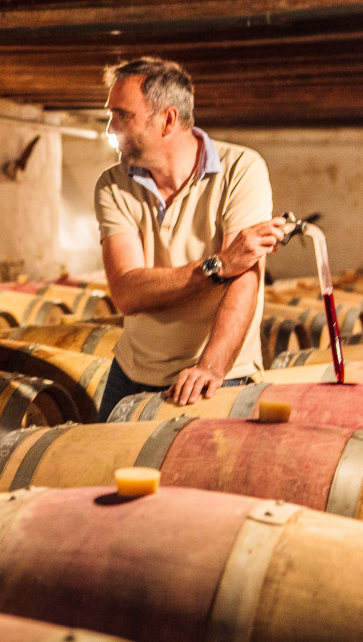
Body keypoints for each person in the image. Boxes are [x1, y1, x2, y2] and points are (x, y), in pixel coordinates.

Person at [93, 57, 286, 421]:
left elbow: (244, 277)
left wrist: (211, 367)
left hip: (218, 375)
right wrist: (218, 266)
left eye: (122, 115)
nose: (110, 127)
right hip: (133, 372)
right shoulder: (113, 184)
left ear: (167, 119)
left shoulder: (241, 169)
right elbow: (127, 292)